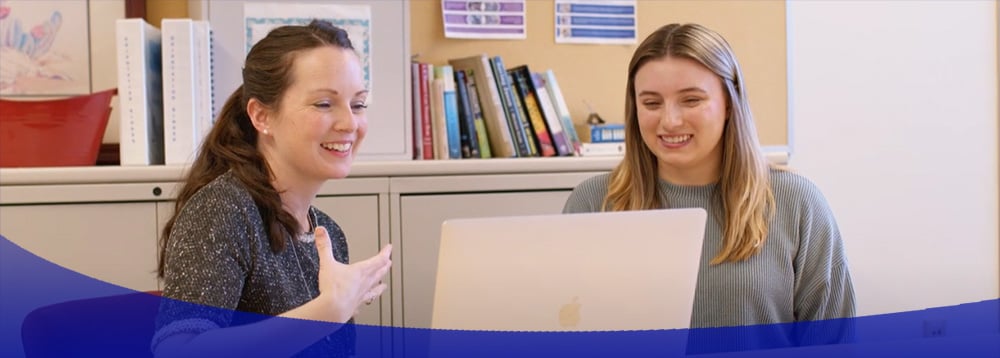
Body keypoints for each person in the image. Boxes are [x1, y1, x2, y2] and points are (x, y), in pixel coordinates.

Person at [562, 23, 855, 351]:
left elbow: (833, 344)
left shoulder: (798, 203)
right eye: (652, 103)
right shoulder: (593, 202)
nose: (670, 120)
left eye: (691, 100)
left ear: (729, 104)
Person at [152, 20, 391, 358]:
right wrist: (327, 312)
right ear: (261, 116)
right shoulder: (221, 211)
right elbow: (178, 350)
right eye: (324, 104)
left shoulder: (328, 233)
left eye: (358, 104)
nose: (349, 123)